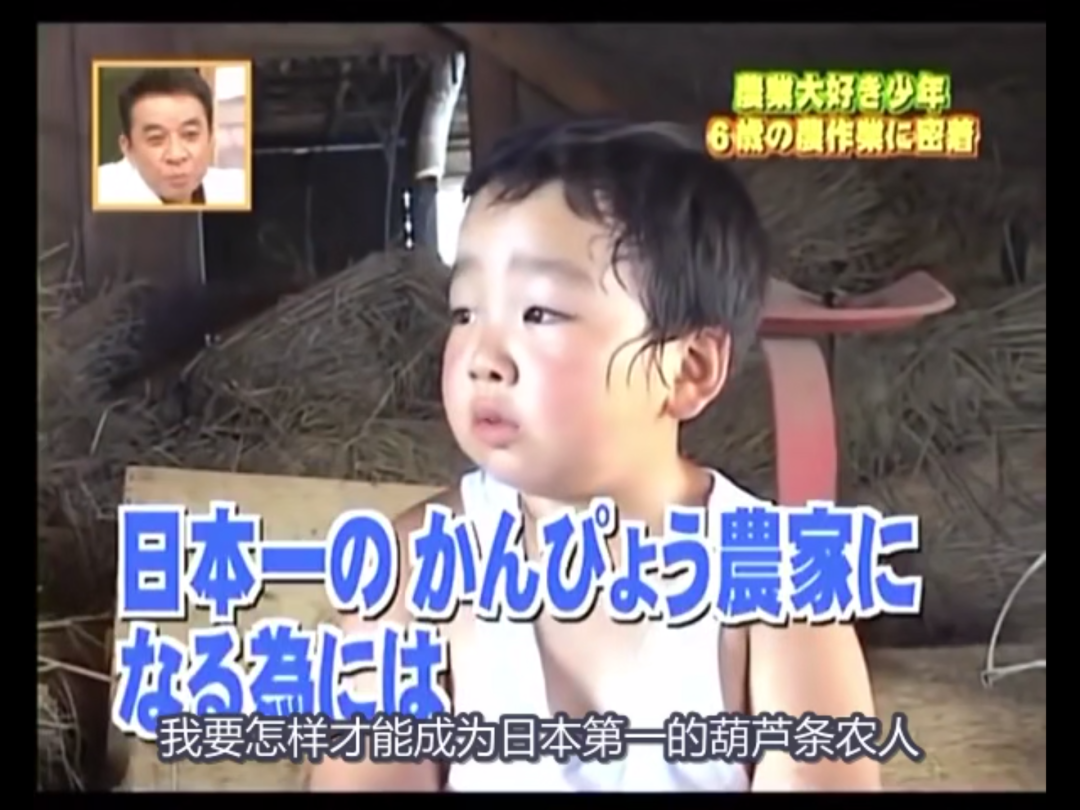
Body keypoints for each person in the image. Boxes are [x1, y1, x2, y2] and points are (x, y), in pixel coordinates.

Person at [308, 119, 881, 792]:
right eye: (465, 312)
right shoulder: (410, 573)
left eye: (540, 313)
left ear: (689, 367)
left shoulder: (781, 588)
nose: (483, 358)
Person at [96, 68, 245, 207]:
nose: (176, 155)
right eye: (156, 139)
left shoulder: (239, 188)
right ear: (127, 148)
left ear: (211, 137)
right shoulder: (97, 192)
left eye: (190, 134)